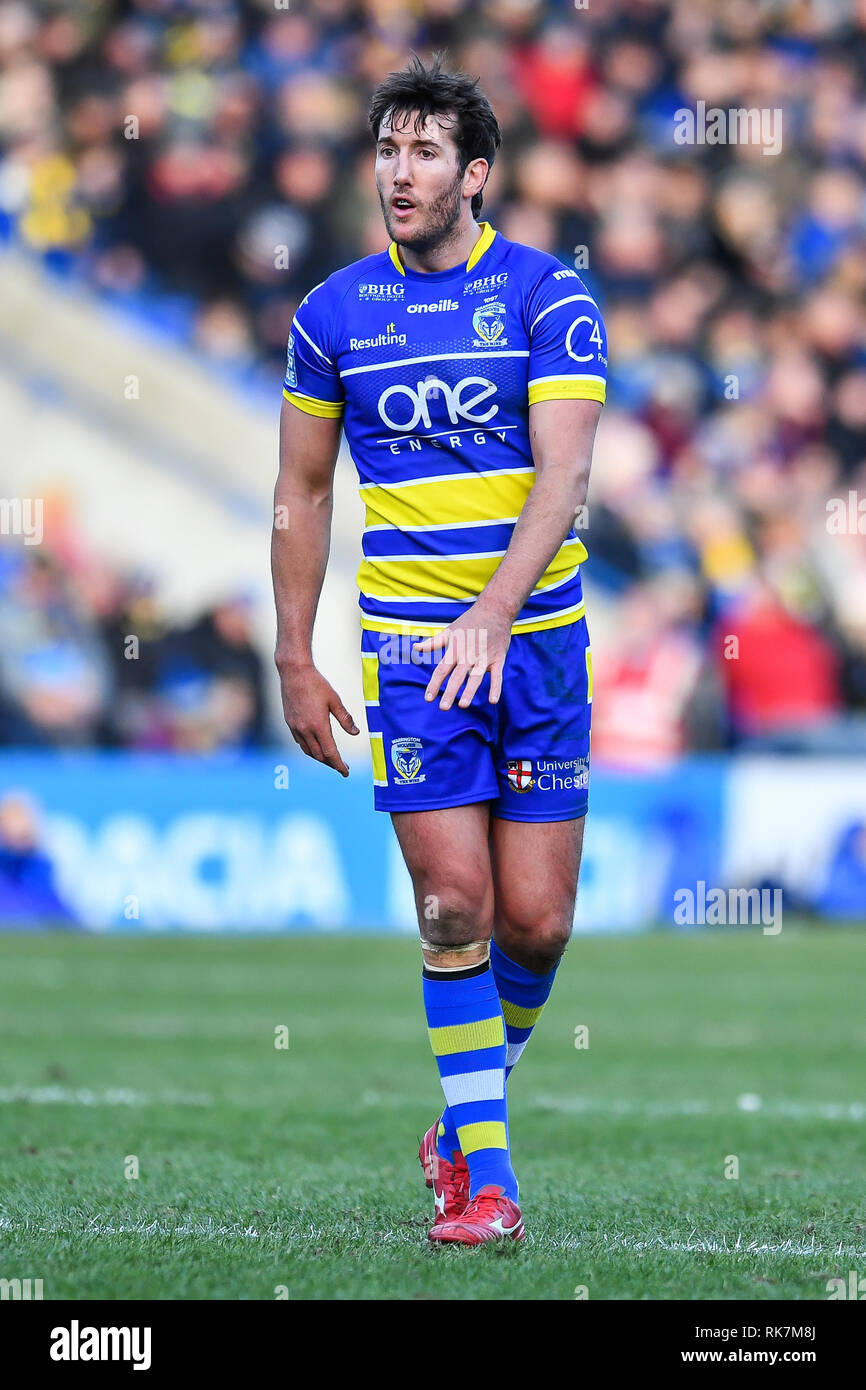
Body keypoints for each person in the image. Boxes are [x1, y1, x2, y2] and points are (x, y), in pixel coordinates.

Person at [271, 53, 607, 1246]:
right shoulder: (333, 314)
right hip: (411, 660)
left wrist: (493, 614)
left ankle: (456, 1127)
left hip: (536, 647)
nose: (396, 173)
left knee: (539, 924)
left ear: (475, 175)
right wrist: (293, 657)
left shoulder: (547, 298)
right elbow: (300, 493)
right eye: (385, 151)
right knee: (455, 905)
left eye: (421, 154)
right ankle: (492, 1187)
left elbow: (562, 479)